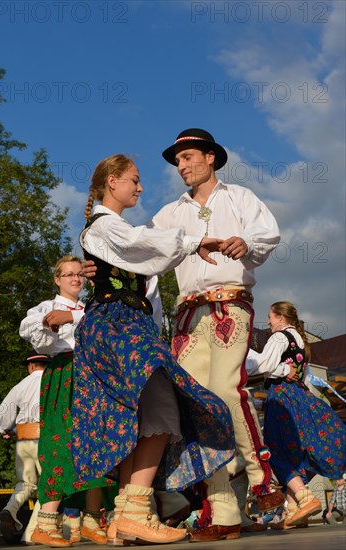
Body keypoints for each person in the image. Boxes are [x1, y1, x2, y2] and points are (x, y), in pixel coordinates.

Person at [82, 129, 284, 542]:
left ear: (211, 157)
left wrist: (246, 243)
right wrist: (99, 268)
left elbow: (268, 236)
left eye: (188, 156)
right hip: (188, 314)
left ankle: (263, 475)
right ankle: (222, 508)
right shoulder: (169, 213)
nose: (181, 165)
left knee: (227, 391)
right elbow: (142, 248)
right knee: (191, 405)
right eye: (177, 160)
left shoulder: (241, 197)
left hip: (230, 303)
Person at [70, 153, 237, 545]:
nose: (140, 187)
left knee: (143, 415)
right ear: (112, 181)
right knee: (162, 404)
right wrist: (195, 241)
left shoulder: (110, 230)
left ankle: (127, 514)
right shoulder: (106, 227)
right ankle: (135, 511)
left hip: (126, 323)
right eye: (134, 179)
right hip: (115, 324)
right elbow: (141, 243)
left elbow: (144, 251)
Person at [19, 255, 112, 547]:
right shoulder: (47, 307)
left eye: (79, 274)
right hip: (66, 374)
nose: (75, 278)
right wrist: (53, 323)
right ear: (57, 279)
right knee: (60, 445)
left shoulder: (90, 308)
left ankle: (92, 520)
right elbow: (34, 334)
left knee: (99, 445)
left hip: (95, 377)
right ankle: (46, 524)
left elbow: (109, 328)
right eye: (68, 274)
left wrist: (73, 317)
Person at [246, 301, 346, 528]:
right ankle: (294, 509)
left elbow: (261, 365)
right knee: (298, 453)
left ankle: (304, 497)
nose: (269, 322)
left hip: (282, 396)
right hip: (298, 396)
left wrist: (240, 353)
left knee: (275, 451)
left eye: (270, 317)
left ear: (280, 317)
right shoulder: (299, 340)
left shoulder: (280, 337)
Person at [0, 352, 50, 545]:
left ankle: (10, 510)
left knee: (25, 483)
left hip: (24, 436)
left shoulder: (21, 385)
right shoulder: (52, 381)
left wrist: (6, 429)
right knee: (49, 484)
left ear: (30, 366)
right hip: (46, 436)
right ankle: (32, 532)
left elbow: (4, 410)